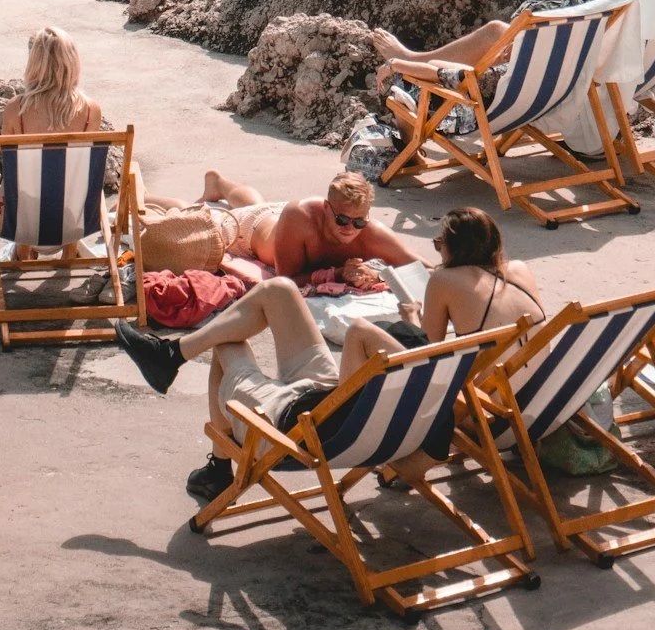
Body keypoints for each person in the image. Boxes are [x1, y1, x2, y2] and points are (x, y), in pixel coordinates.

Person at [115, 273, 429, 503]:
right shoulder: (438, 394)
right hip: (332, 397)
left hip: (305, 424)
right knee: (279, 289)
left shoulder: (421, 380)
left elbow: (360, 331)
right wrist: (416, 328)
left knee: (225, 340)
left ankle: (219, 468)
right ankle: (170, 355)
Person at [175, 167, 423, 280]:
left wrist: (378, 276)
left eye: (358, 222)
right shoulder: (300, 218)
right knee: (191, 219)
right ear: (327, 208)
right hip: (252, 231)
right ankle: (146, 197)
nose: (350, 229)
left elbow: (422, 268)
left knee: (257, 204)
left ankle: (219, 183)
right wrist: (336, 274)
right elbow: (287, 278)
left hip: (278, 220)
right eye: (342, 220)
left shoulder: (369, 232)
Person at [418, 206, 543, 340]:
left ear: (455, 247)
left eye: (440, 243)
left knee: (400, 332)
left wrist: (412, 316)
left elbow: (428, 348)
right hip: (542, 359)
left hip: (492, 361)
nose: (439, 249)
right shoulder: (520, 268)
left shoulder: (442, 280)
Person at [2, 27, 104, 135]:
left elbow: (7, 151)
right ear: (72, 62)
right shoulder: (91, 111)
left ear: (33, 63)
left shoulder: (15, 109)